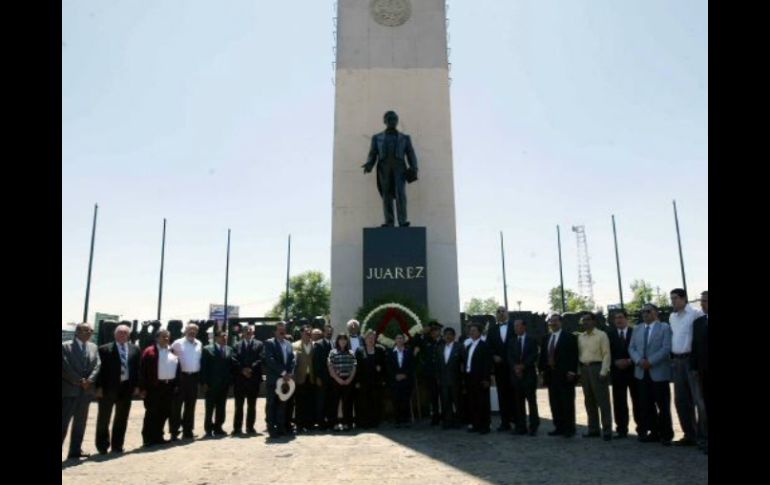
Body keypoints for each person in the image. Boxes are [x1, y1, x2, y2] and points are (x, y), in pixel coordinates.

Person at [362, 110, 419, 227]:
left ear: (397, 121)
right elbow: (373, 153)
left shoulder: (405, 138)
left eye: (394, 119)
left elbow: (411, 153)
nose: (392, 121)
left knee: (400, 194)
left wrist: (414, 167)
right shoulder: (377, 137)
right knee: (386, 194)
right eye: (389, 119)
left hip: (400, 167)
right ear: (384, 121)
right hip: (384, 167)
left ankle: (402, 221)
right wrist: (369, 164)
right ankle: (389, 221)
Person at [628, 303, 674, 446]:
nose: (645, 314)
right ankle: (653, 432)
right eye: (643, 312)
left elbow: (666, 348)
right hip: (641, 372)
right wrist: (639, 360)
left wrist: (651, 361)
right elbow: (632, 347)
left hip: (658, 372)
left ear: (656, 313)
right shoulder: (637, 328)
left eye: (648, 311)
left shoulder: (664, 328)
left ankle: (666, 434)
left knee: (663, 405)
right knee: (646, 404)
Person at [668, 288, 707, 448]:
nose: (673, 301)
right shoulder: (672, 317)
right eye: (671, 299)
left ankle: (703, 436)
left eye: (676, 298)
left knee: (699, 401)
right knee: (681, 401)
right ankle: (689, 435)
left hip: (691, 360)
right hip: (677, 361)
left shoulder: (696, 314)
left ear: (684, 299)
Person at [94, 324, 140, 454]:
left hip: (126, 388)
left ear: (129, 335)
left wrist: (136, 386)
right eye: (120, 332)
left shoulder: (135, 349)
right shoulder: (104, 349)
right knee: (104, 418)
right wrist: (99, 387)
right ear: (115, 334)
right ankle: (102, 446)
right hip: (108, 388)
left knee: (122, 418)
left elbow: (137, 369)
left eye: (125, 333)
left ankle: (117, 445)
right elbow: (99, 370)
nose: (122, 335)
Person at [62, 323, 101, 460]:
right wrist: (78, 381)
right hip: (69, 390)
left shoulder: (93, 347)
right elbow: (64, 365)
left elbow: (97, 365)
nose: (89, 333)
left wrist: (90, 380)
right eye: (86, 330)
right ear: (77, 331)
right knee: (63, 422)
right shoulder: (65, 346)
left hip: (86, 392)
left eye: (91, 331)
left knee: (80, 423)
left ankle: (75, 450)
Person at [538, 313, 578, 438]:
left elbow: (574, 355)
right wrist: (541, 371)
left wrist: (572, 371)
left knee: (567, 402)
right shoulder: (546, 338)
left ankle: (569, 428)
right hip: (551, 375)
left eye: (555, 321)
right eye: (551, 321)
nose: (553, 323)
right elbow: (543, 356)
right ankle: (558, 427)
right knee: (554, 402)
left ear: (561, 322)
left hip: (566, 375)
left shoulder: (569, 337)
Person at [139, 329, 180, 447]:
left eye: (167, 337)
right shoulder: (149, 351)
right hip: (154, 387)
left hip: (168, 387)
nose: (166, 339)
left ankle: (158, 436)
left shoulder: (172, 351)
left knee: (165, 412)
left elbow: (177, 369)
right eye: (163, 337)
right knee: (151, 413)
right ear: (157, 338)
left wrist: (176, 384)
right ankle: (147, 438)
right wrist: (142, 388)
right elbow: (142, 371)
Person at [577, 312, 613, 441]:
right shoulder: (581, 337)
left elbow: (606, 354)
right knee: (589, 401)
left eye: (588, 320)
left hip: (597, 368)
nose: (585, 322)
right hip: (585, 369)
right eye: (583, 320)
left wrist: (604, 371)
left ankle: (607, 430)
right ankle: (593, 429)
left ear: (594, 321)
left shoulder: (601, 335)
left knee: (603, 401)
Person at [607, 309, 640, 438]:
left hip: (634, 371)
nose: (618, 320)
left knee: (637, 401)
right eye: (616, 318)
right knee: (619, 402)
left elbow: (640, 349)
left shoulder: (635, 332)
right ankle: (621, 429)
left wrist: (630, 361)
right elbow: (606, 352)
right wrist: (615, 362)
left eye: (621, 317)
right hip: (617, 372)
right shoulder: (609, 334)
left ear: (627, 319)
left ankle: (641, 429)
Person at [262, 322, 296, 437]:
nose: (282, 331)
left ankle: (281, 428)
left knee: (283, 404)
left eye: (284, 329)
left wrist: (290, 373)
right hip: (274, 380)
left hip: (286, 381)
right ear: (275, 332)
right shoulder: (269, 343)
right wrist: (283, 373)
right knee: (271, 404)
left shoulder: (288, 344)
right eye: (280, 330)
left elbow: (292, 359)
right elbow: (270, 360)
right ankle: (271, 428)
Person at [170, 322, 203, 440]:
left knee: (190, 405)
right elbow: (170, 359)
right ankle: (174, 431)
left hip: (194, 378)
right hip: (180, 377)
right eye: (190, 329)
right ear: (185, 330)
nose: (192, 332)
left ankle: (188, 430)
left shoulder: (199, 343)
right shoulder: (177, 343)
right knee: (176, 406)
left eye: (194, 330)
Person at [486, 306, 517, 432]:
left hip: (513, 366)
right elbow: (488, 346)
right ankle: (505, 422)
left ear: (507, 313)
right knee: (502, 395)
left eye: (503, 311)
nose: (501, 313)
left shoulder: (514, 327)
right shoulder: (492, 330)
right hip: (499, 368)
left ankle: (517, 421)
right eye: (498, 312)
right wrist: (494, 356)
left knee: (515, 394)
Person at [507, 319, 540, 436]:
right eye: (514, 326)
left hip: (529, 375)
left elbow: (534, 355)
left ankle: (533, 426)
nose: (515, 328)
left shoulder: (532, 340)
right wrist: (516, 367)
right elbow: (509, 356)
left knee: (531, 402)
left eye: (518, 326)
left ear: (524, 327)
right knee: (518, 402)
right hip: (516, 376)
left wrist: (523, 366)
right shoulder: (511, 341)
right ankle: (520, 426)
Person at [201, 330, 235, 437]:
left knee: (221, 407)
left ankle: (218, 427)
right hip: (211, 384)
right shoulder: (207, 349)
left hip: (224, 385)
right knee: (210, 408)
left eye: (226, 336)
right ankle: (208, 429)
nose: (224, 338)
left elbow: (231, 367)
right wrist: (204, 383)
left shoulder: (229, 349)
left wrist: (230, 381)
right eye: (222, 336)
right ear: (216, 338)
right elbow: (203, 368)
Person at [232, 325, 263, 435]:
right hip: (240, 379)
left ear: (253, 332)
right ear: (243, 332)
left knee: (252, 405)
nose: (249, 332)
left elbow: (260, 358)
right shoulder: (236, 345)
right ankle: (237, 428)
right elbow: (234, 359)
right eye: (246, 330)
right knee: (239, 405)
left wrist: (250, 369)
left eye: (250, 330)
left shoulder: (259, 344)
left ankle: (250, 427)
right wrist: (242, 369)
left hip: (253, 378)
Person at [355, 330, 387, 428]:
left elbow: (385, 365)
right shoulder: (360, 350)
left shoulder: (380, 349)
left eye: (373, 338)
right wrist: (357, 381)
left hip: (376, 381)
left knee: (376, 401)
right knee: (364, 402)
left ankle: (376, 421)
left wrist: (381, 370)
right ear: (365, 339)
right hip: (363, 381)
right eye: (369, 338)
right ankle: (364, 422)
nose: (371, 340)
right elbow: (356, 367)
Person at [464, 322, 492, 434]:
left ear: (480, 332)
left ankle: (485, 426)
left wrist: (486, 379)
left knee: (483, 403)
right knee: (473, 402)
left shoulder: (484, 346)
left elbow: (487, 363)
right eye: (470, 330)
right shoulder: (469, 346)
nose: (471, 332)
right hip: (470, 377)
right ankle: (476, 424)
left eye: (474, 330)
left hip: (481, 378)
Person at [690, 291, 709, 455]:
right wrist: (694, 368)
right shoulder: (698, 323)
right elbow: (695, 348)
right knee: (705, 407)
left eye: (705, 301)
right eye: (702, 301)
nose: (702, 304)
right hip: (703, 372)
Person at [327, 334, 357, 431]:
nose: (343, 341)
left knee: (347, 403)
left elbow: (354, 367)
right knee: (334, 403)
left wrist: (349, 379)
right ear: (337, 341)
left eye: (344, 340)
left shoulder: (351, 353)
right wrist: (337, 379)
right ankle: (334, 424)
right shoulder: (332, 352)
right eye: (341, 340)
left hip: (348, 380)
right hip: (336, 380)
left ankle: (347, 423)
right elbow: (330, 367)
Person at [436, 326, 463, 429]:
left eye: (450, 334)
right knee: (445, 402)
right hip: (443, 380)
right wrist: (438, 377)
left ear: (454, 336)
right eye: (445, 334)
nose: (447, 336)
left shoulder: (459, 347)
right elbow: (438, 364)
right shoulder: (440, 348)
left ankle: (458, 422)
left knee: (457, 401)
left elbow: (463, 363)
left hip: (456, 379)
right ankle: (447, 422)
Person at [388, 333, 416, 427]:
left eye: (401, 338)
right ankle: (397, 420)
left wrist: (405, 375)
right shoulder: (391, 353)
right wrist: (395, 375)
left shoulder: (408, 352)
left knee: (405, 400)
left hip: (406, 380)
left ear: (404, 340)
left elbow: (412, 366)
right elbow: (388, 367)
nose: (399, 340)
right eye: (398, 338)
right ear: (395, 341)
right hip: (394, 381)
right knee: (396, 400)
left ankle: (405, 419)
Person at [293, 325, 317, 433]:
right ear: (301, 333)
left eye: (310, 333)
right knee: (299, 402)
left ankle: (309, 424)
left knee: (311, 401)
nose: (308, 334)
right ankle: (299, 424)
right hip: (300, 377)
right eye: (306, 333)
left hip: (311, 378)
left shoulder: (315, 345)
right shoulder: (295, 345)